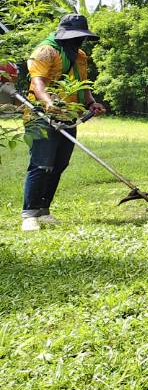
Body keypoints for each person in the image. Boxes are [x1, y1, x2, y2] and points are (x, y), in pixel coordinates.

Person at [21, 14, 106, 232]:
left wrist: (91, 103)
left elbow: (82, 84)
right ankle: (29, 214)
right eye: (76, 37)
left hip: (68, 116)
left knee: (59, 164)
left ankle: (43, 210)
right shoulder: (45, 51)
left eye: (81, 37)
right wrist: (48, 103)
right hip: (41, 116)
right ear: (63, 35)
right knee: (42, 163)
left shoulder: (80, 56)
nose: (79, 41)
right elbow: (38, 84)